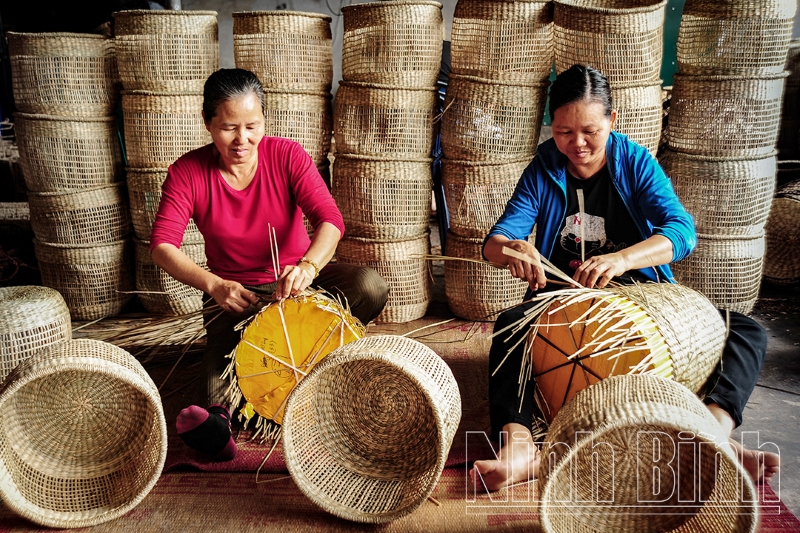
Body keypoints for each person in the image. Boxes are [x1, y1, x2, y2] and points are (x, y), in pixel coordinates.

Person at [470, 64, 780, 491]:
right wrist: (513, 249)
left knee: (744, 331)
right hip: (564, 304)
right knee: (510, 326)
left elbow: (681, 230)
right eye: (563, 132)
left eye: (590, 131)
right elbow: (495, 241)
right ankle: (520, 445)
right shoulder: (543, 168)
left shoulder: (633, 161)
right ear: (551, 128)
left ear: (611, 122)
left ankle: (710, 431)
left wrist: (623, 259)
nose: (577, 144)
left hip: (642, 301)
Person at [150, 68, 388, 460]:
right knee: (222, 355)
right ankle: (217, 423)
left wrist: (308, 267)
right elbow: (162, 246)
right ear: (208, 123)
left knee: (368, 285)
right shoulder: (187, 172)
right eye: (228, 127)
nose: (242, 140)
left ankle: (315, 338)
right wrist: (214, 286)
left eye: (252, 126)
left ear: (265, 121)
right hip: (235, 295)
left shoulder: (287, 155)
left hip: (296, 283)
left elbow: (331, 221)